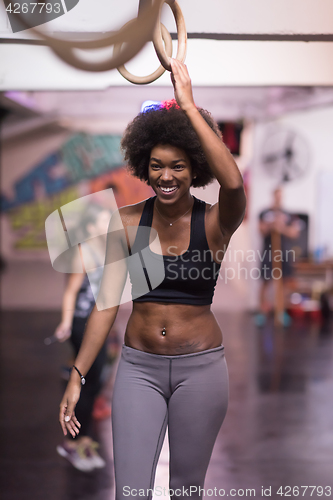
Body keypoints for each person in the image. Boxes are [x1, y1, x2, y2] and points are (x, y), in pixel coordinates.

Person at [59, 59, 246, 498]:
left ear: (194, 168)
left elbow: (234, 184)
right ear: (144, 166)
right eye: (158, 165)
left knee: (185, 489)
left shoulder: (215, 222)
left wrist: (189, 107)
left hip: (200, 370)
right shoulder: (125, 223)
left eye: (178, 166)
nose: (167, 176)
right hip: (137, 368)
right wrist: (78, 374)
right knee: (130, 490)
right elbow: (107, 303)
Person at [55, 205, 111, 471]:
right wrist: (66, 322)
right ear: (90, 228)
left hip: (99, 324)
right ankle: (72, 441)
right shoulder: (84, 252)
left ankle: (83, 438)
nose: (109, 224)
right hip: (82, 324)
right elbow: (70, 292)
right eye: (103, 221)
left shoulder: (107, 251)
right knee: (85, 382)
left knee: (93, 382)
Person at [257, 187, 300, 326]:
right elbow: (261, 230)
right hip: (268, 252)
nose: (278, 198)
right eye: (277, 195)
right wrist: (271, 225)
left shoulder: (289, 214)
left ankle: (281, 311)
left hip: (284, 253)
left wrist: (282, 228)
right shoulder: (265, 213)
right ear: (273, 196)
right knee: (265, 281)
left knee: (285, 282)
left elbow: (294, 233)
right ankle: (262, 313)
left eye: (281, 196)